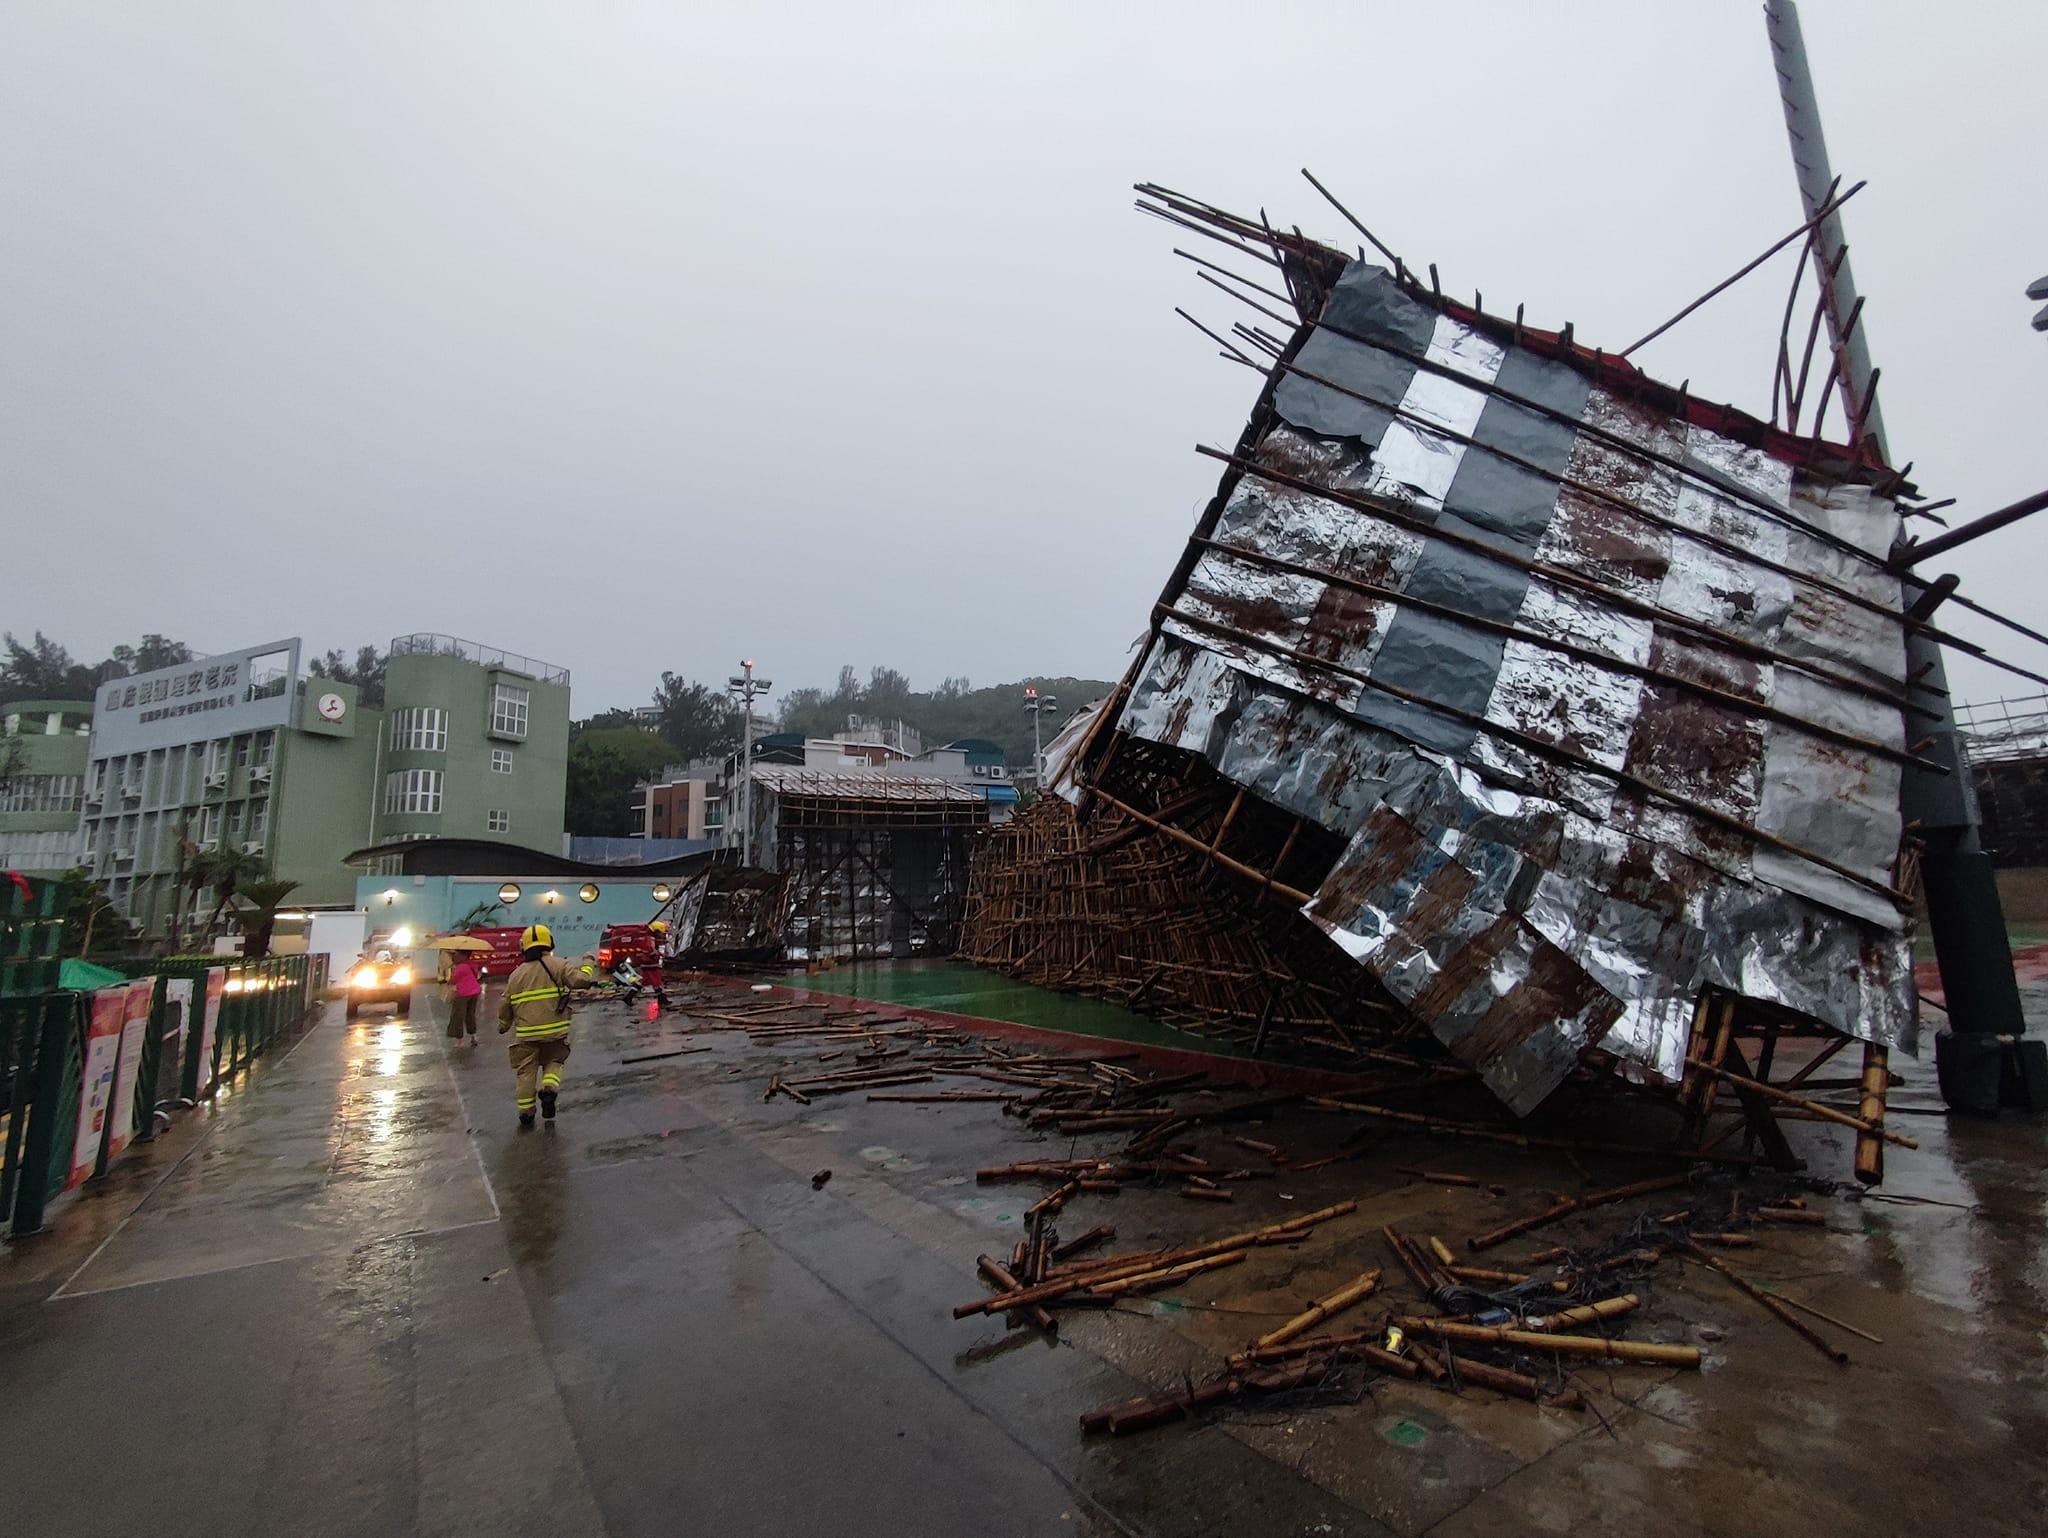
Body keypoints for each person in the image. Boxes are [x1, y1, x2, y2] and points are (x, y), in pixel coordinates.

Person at [497, 924, 593, 1128]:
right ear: (549, 942)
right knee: (555, 1062)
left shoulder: (516, 975)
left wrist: (503, 1024)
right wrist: (588, 962)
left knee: (525, 1073)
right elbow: (583, 981)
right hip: (555, 1032)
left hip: (525, 1035)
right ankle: (549, 1087)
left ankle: (526, 1113)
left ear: (524, 946)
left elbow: (505, 1004)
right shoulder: (560, 965)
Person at [447, 952, 483, 1045]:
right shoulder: (472, 964)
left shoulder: (461, 967)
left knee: (458, 1015)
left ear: (462, 955)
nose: (454, 956)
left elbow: (452, 980)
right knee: (470, 1015)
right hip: (474, 992)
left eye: (456, 954)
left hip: (463, 993)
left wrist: (451, 973)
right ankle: (473, 1036)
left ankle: (459, 1040)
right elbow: (475, 976)